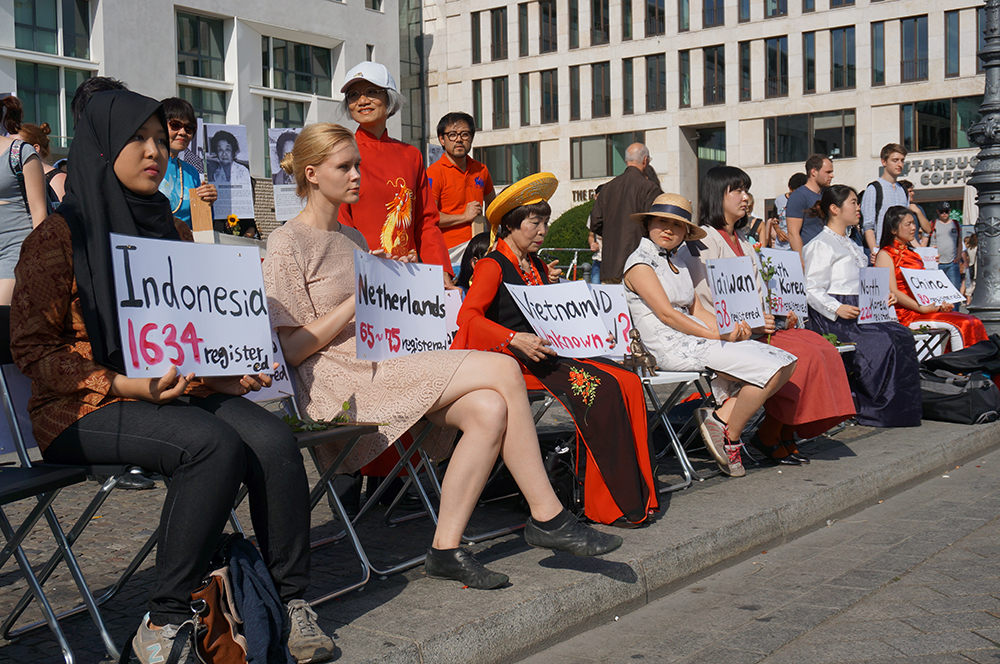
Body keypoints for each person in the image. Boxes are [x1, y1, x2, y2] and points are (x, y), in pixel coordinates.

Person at [10, 90, 336, 664]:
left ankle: (291, 604)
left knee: (272, 441)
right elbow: (33, 349)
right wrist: (123, 384)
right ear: (104, 145)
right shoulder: (58, 237)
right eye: (138, 138)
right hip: (79, 408)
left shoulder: (170, 231)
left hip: (172, 394)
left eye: (161, 139)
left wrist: (228, 377)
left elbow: (192, 334)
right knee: (209, 446)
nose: (154, 150)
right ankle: (163, 620)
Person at [263, 125, 621, 590]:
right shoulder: (286, 242)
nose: (357, 175)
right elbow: (290, 349)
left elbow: (377, 317)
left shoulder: (351, 238)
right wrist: (358, 298)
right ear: (311, 174)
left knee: (490, 409)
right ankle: (548, 515)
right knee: (504, 366)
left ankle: (445, 549)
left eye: (357, 164)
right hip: (335, 381)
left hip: (380, 362)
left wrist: (397, 291)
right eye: (344, 166)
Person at [453, 173, 658, 526]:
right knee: (602, 388)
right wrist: (511, 338)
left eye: (545, 222)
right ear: (511, 224)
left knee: (628, 380)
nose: (543, 230)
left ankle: (635, 494)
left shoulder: (534, 265)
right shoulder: (491, 264)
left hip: (545, 355)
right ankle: (605, 503)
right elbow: (467, 316)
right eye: (535, 223)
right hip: (513, 361)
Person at [677, 166, 855, 465]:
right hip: (726, 333)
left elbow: (754, 294)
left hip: (756, 328)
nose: (746, 198)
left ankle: (784, 430)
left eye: (747, 191)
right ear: (716, 194)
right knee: (804, 356)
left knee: (822, 347)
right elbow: (699, 302)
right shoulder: (701, 242)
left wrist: (777, 315)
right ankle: (770, 433)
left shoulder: (744, 241)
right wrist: (753, 321)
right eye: (737, 191)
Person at [622, 193, 796, 477]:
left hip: (693, 337)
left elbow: (696, 308)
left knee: (785, 362)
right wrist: (719, 334)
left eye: (677, 225)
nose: (668, 229)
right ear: (649, 223)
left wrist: (727, 329)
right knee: (773, 366)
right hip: (667, 345)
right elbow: (667, 314)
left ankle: (722, 418)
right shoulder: (640, 262)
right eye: (662, 222)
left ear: (685, 233)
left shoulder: (675, 260)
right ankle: (731, 435)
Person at [802, 185, 922, 427]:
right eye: (854, 202)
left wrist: (880, 297)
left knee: (902, 335)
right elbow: (811, 288)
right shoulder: (821, 244)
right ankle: (872, 406)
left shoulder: (852, 244)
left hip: (860, 309)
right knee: (882, 341)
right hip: (835, 317)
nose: (859, 208)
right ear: (835, 209)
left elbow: (863, 283)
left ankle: (902, 409)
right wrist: (835, 308)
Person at [337, 61, 454, 287]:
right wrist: (365, 263)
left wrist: (439, 269)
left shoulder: (410, 155)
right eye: (353, 95)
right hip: (360, 276)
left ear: (390, 98)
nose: (362, 101)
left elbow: (426, 221)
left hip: (407, 275)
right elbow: (340, 221)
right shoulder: (339, 152)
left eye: (372, 92)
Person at [875, 205, 987, 350]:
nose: (913, 228)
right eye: (908, 224)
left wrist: (940, 305)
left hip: (923, 308)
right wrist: (922, 308)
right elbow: (892, 291)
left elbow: (926, 288)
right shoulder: (886, 254)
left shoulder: (914, 254)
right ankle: (962, 368)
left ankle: (977, 367)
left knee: (974, 320)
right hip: (904, 314)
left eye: (913, 223)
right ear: (893, 229)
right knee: (963, 324)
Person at [427, 112, 496, 264]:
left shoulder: (481, 169)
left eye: (465, 134)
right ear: (441, 139)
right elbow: (429, 217)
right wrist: (464, 217)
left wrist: (494, 240)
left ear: (471, 138)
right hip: (448, 253)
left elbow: (493, 206)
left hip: (479, 250)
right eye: (452, 135)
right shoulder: (434, 172)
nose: (459, 139)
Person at [0, 96, 49, 306]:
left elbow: (39, 211)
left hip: (16, 247)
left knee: (3, 316)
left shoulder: (20, 152)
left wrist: (38, 259)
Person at [589, 143, 662, 284]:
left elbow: (595, 222)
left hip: (610, 265)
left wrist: (612, 235)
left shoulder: (608, 188)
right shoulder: (650, 188)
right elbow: (655, 227)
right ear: (645, 160)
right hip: (638, 266)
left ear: (626, 161)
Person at [157, 97, 217, 228]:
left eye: (189, 128)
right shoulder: (145, 163)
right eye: (175, 125)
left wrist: (207, 202)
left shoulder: (191, 172)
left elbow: (202, 226)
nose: (183, 132)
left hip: (183, 245)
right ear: (159, 125)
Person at [862, 143, 909, 262]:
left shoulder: (903, 190)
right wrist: (874, 250)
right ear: (884, 162)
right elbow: (868, 225)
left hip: (901, 252)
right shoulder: (874, 189)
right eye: (895, 160)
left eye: (902, 160)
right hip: (882, 251)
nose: (900, 164)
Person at [785, 154, 833, 256]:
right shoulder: (798, 196)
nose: (831, 175)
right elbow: (793, 234)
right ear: (814, 172)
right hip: (810, 257)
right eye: (828, 172)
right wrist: (801, 260)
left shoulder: (828, 194)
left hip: (829, 254)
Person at [16, 122, 66, 207]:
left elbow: (62, 215)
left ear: (35, 148)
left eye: (16, 147)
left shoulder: (58, 179)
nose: (11, 152)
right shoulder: (18, 177)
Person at [928, 203, 964, 290]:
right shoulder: (932, 224)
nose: (944, 214)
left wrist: (959, 256)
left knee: (955, 288)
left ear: (950, 211)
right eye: (942, 212)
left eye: (946, 212)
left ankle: (955, 304)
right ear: (937, 212)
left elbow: (959, 242)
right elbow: (925, 242)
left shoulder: (956, 224)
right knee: (936, 289)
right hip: (936, 263)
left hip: (952, 262)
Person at [769, 173, 806, 251]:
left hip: (798, 245)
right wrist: (778, 230)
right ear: (790, 188)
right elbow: (775, 218)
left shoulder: (804, 201)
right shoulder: (779, 200)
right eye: (797, 192)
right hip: (781, 246)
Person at [899, 179, 932, 245]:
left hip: (914, 249)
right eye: (910, 191)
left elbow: (928, 229)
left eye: (912, 191)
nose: (913, 193)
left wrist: (918, 212)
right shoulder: (895, 208)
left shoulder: (917, 208)